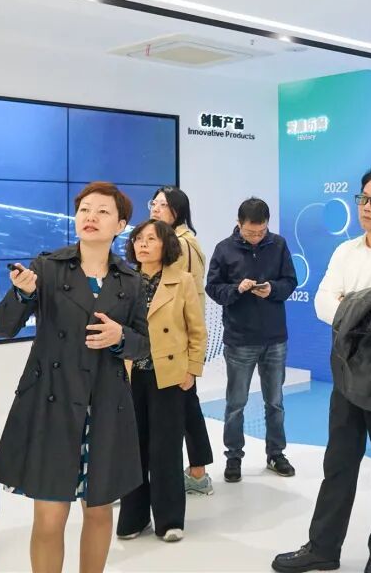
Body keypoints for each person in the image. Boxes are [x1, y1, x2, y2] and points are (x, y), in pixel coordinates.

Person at [273, 168, 371, 573]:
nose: (366, 207)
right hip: (347, 367)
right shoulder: (345, 251)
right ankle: (323, 547)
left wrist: (350, 305)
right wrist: (364, 309)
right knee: (338, 463)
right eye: (362, 198)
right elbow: (322, 303)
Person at [0, 181, 150, 573]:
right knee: (49, 517)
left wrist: (120, 337)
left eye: (102, 211)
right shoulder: (46, 267)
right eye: (84, 210)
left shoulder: (131, 280)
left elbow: (144, 346)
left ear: (121, 225)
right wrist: (22, 295)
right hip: (52, 401)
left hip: (106, 405)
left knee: (98, 511)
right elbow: (2, 327)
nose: (90, 217)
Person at [116, 219, 207, 542]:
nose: (142, 244)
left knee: (166, 450)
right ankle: (134, 518)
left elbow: (197, 330)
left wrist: (192, 370)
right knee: (132, 449)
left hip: (169, 376)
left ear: (165, 244)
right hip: (131, 375)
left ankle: (169, 520)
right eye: (138, 239)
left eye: (151, 239)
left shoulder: (182, 280)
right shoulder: (123, 280)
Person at [206, 197, 299, 483]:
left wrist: (272, 289)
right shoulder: (224, 249)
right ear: (239, 224)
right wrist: (236, 289)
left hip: (275, 338)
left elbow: (290, 282)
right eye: (250, 232)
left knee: (275, 402)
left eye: (261, 232)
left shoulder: (279, 244)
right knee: (236, 403)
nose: (256, 237)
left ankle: (276, 454)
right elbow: (213, 288)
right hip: (239, 339)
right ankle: (233, 457)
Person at [148, 186, 215, 496]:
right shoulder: (176, 239)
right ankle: (197, 473)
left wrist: (190, 354)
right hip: (169, 341)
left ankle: (196, 474)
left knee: (184, 406)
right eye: (154, 203)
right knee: (187, 405)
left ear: (178, 211)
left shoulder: (181, 244)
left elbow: (181, 299)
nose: (155, 208)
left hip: (176, 342)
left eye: (163, 205)